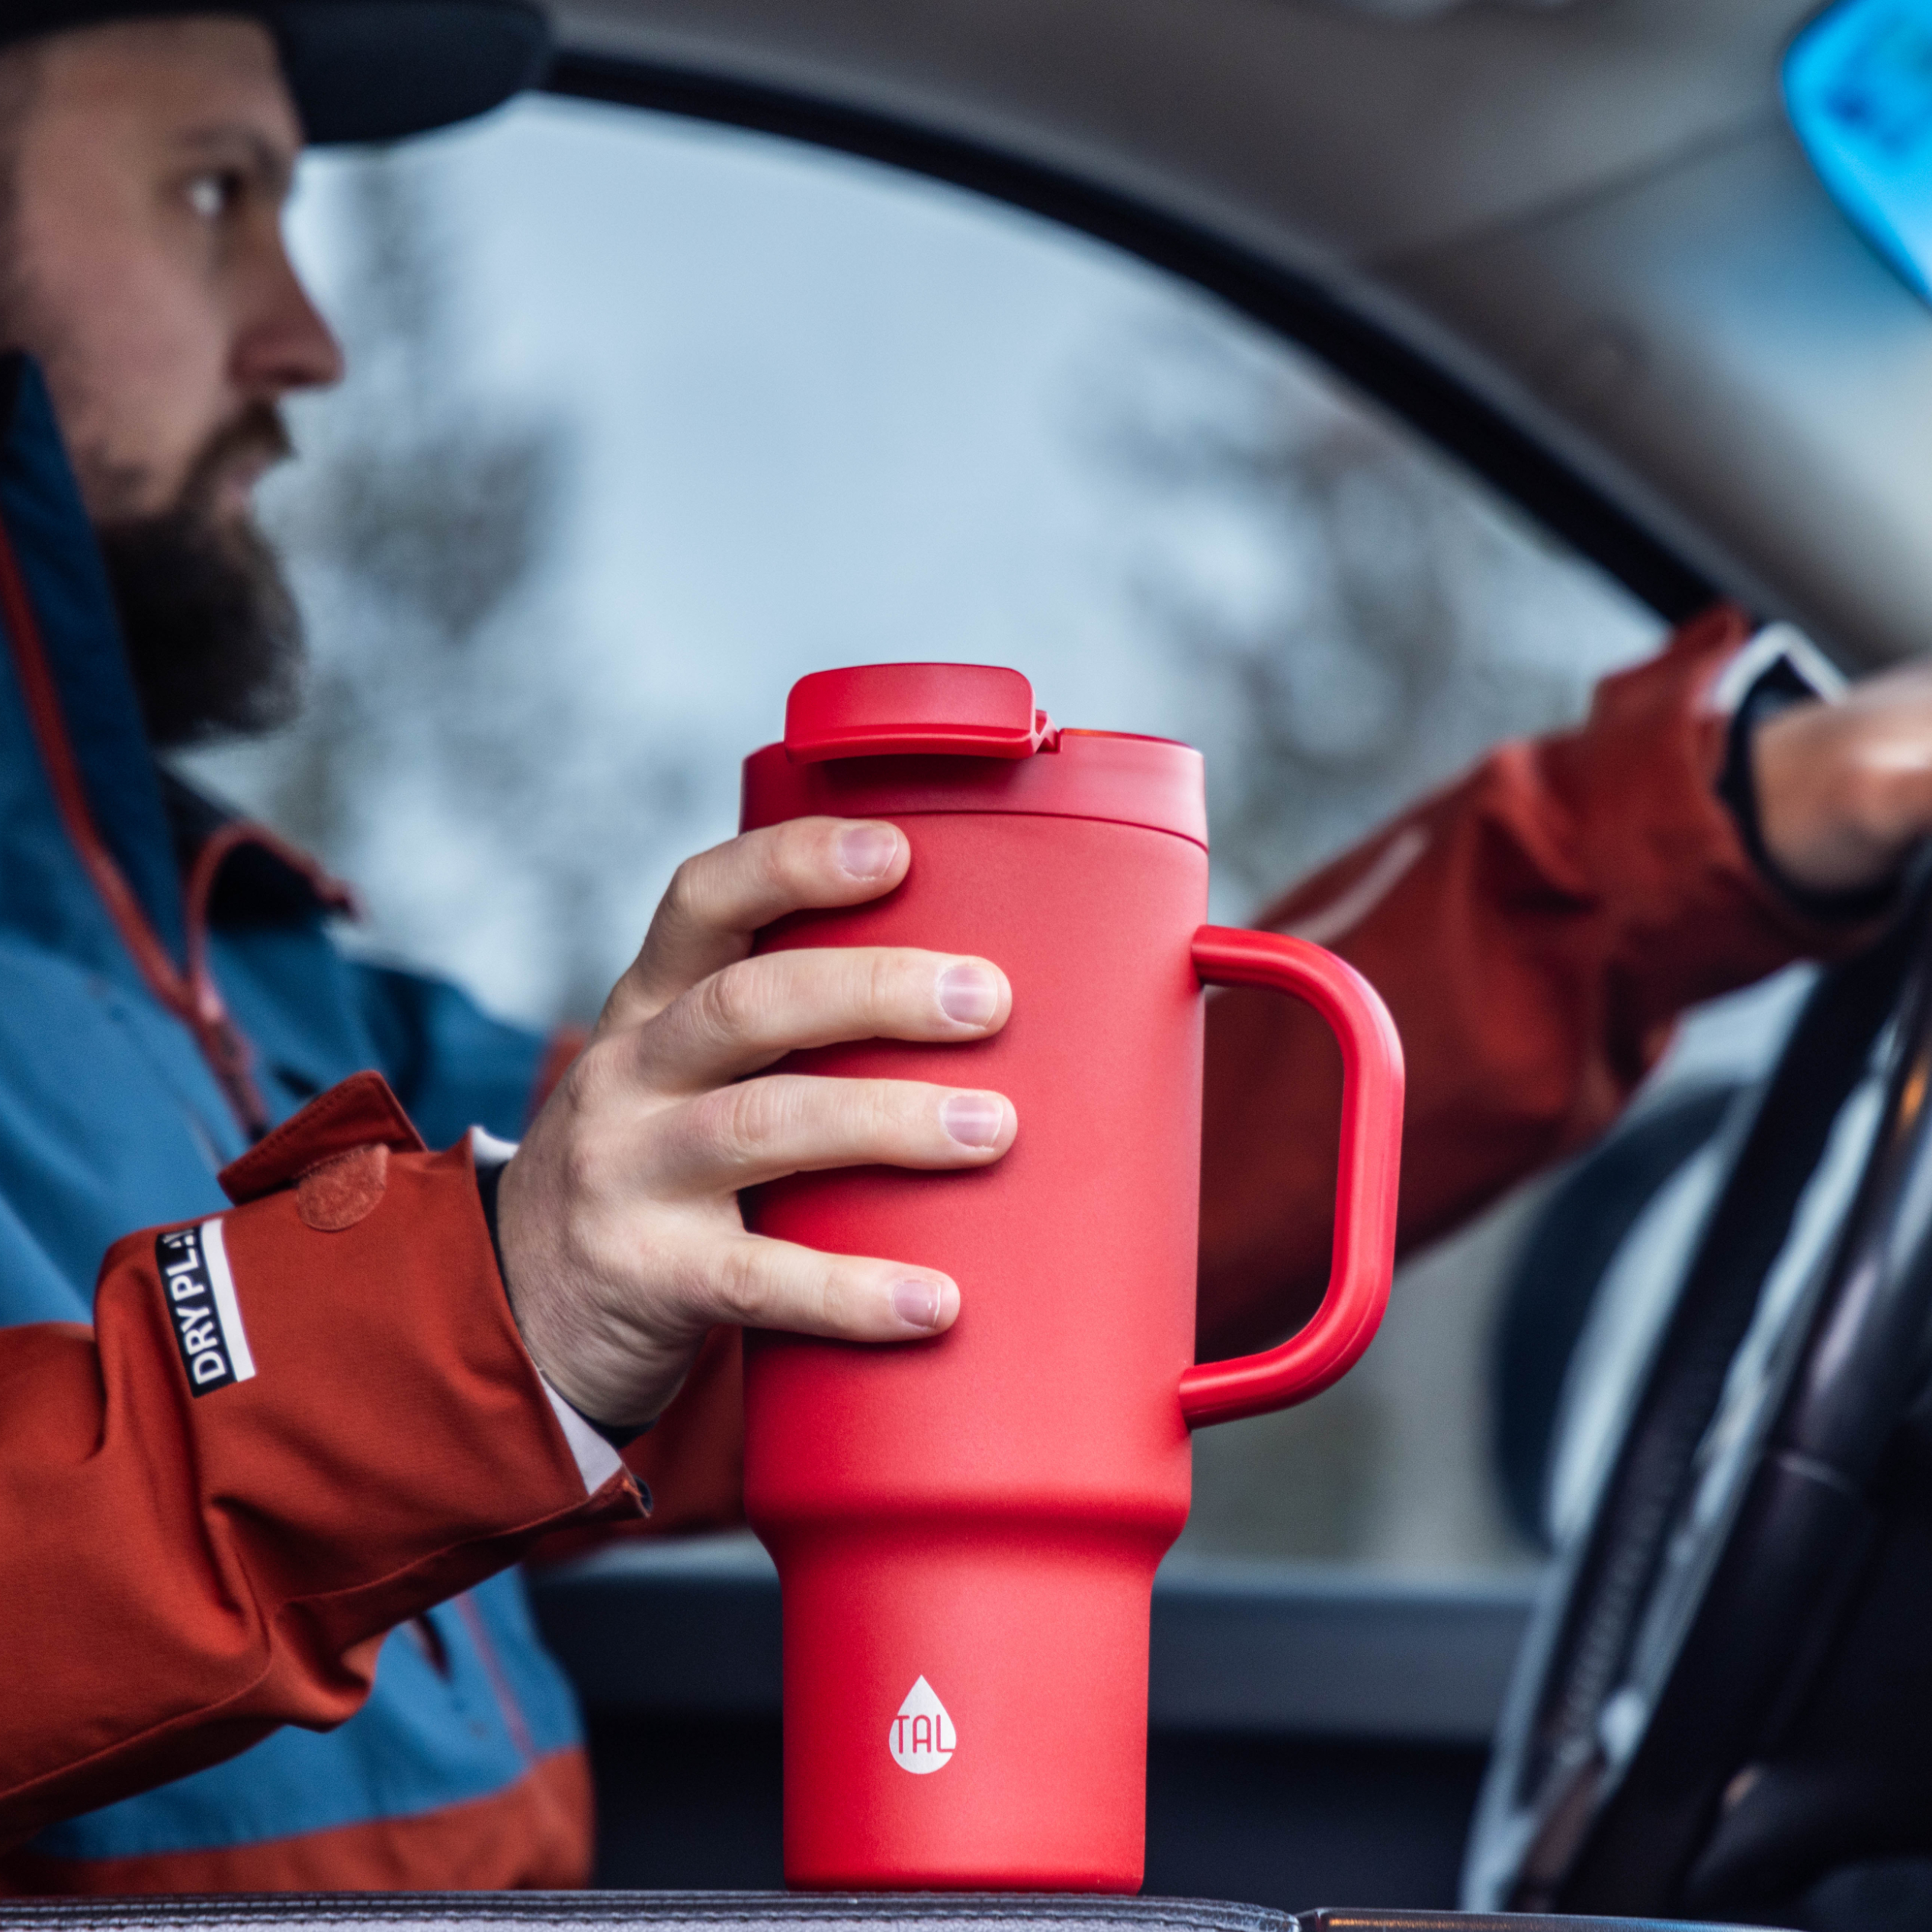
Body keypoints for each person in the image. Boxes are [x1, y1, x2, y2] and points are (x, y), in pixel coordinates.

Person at [2, 0, 1932, 1896]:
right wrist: (474, 1324)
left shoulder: (254, 980)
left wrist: (1716, 821)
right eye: (212, 193)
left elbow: (973, 1227)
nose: (309, 335)